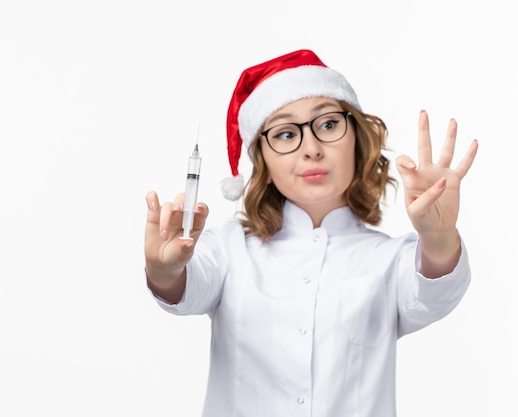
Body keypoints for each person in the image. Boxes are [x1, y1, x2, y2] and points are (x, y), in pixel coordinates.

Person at [143, 49, 478, 417]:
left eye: (329, 125)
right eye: (286, 134)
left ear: (358, 139)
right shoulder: (228, 250)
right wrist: (165, 270)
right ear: (263, 161)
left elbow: (435, 293)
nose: (311, 149)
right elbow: (186, 288)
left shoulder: (390, 260)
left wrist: (439, 236)